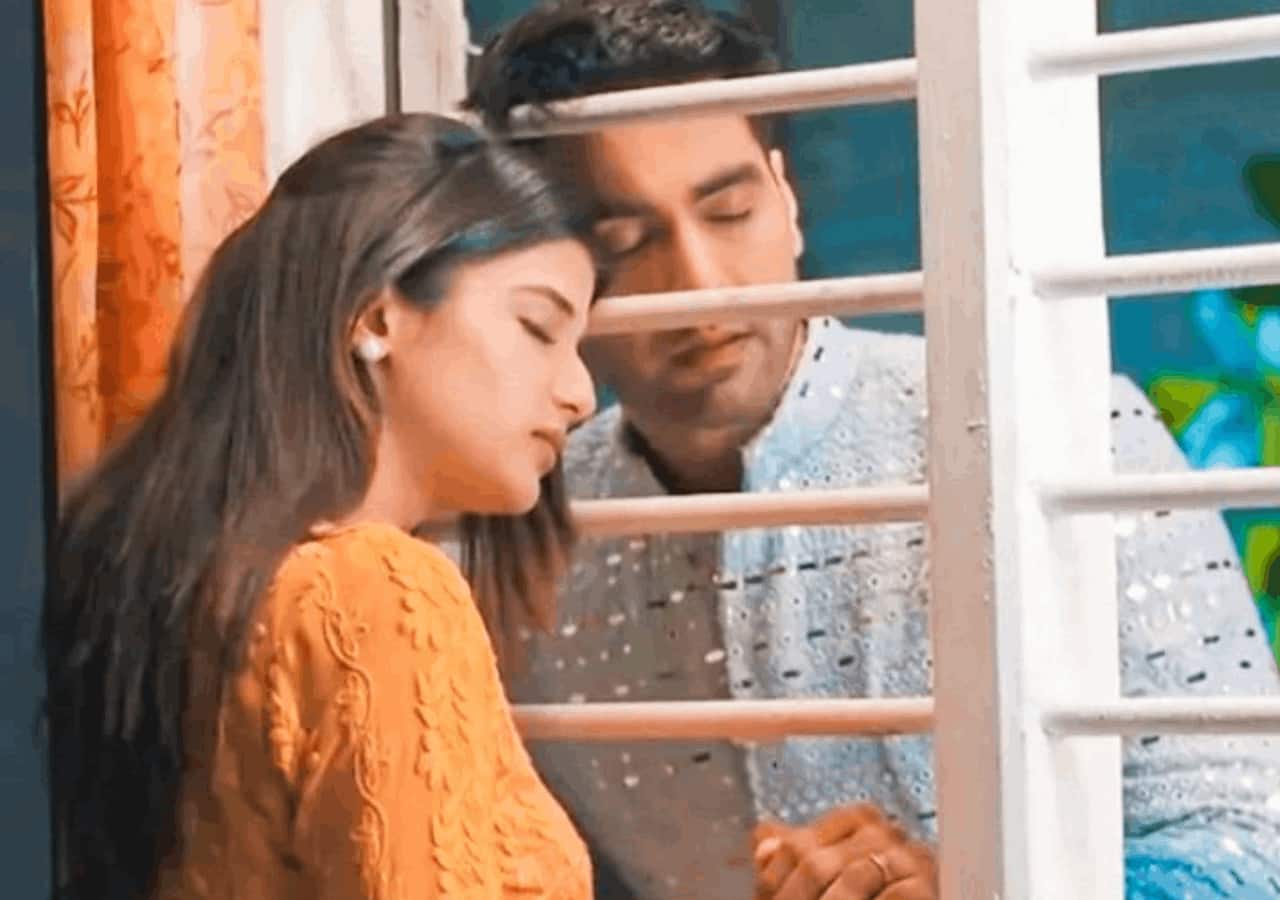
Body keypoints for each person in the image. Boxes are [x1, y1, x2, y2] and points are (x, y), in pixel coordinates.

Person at [462, 2, 1280, 898]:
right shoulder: (526, 530)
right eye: (626, 242)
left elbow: (1256, 840)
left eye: (730, 211)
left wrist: (977, 887)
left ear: (787, 201)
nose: (699, 283)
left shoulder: (1065, 438)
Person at [41, 113, 604, 900]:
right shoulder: (379, 592)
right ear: (376, 318)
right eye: (538, 327)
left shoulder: (192, 579)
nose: (581, 393)